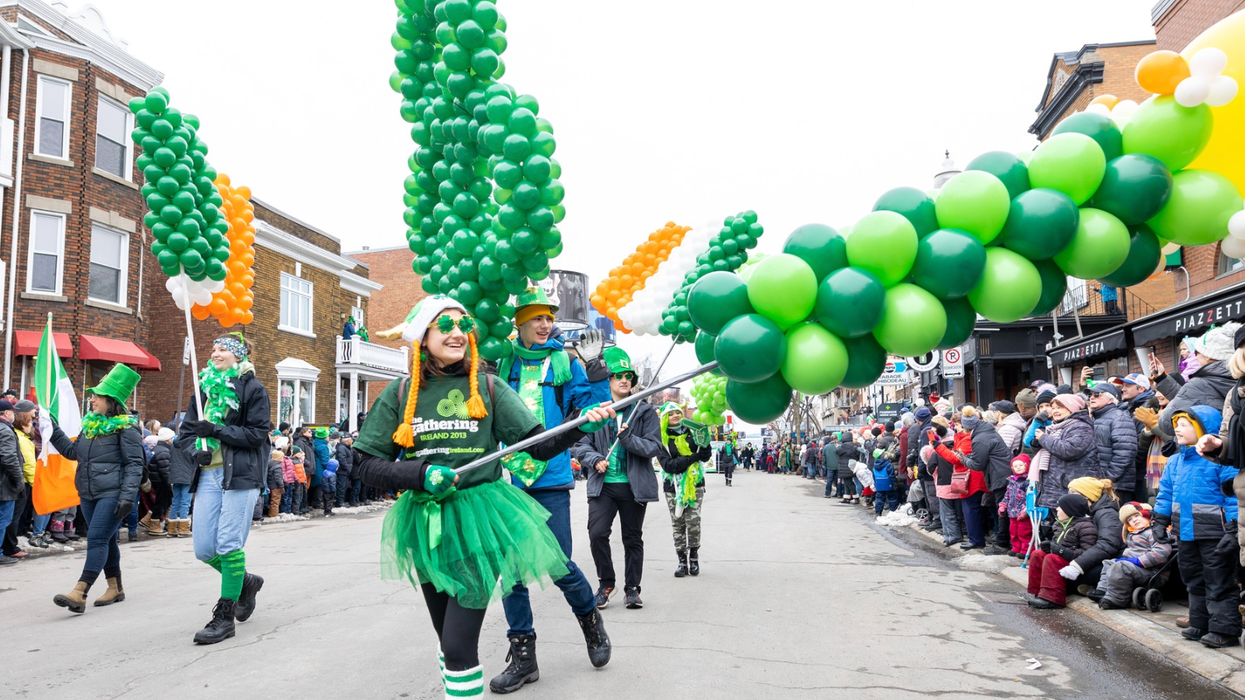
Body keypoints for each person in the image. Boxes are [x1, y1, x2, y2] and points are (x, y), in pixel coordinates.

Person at [351, 295, 615, 698]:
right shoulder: (401, 392)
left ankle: (569, 628)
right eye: (445, 326)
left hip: (482, 518)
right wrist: (420, 474)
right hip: (424, 525)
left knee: (459, 646)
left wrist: (582, 424)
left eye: (464, 325)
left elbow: (537, 445)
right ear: (422, 336)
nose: (458, 333)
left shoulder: (489, 386)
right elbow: (366, 464)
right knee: (447, 641)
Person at [490, 288, 612, 693]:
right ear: (518, 323)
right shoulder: (503, 359)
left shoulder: (564, 361)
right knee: (511, 572)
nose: (545, 325)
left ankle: (591, 620)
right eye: (536, 318)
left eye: (548, 318)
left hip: (551, 474)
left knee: (558, 563)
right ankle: (524, 656)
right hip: (510, 479)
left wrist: (595, 370)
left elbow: (594, 409)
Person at [177, 334, 273, 645]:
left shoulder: (252, 388)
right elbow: (186, 433)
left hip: (241, 476)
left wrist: (217, 430)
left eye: (222, 349)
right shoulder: (201, 387)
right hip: (208, 475)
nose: (215, 353)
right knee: (204, 549)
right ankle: (244, 581)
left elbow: (258, 434)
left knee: (229, 544)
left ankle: (225, 616)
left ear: (238, 355)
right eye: (213, 348)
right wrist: (197, 450)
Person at [48, 364, 144, 611]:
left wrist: (127, 496)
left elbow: (135, 464)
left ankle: (81, 591)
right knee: (107, 539)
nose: (91, 400)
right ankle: (115, 588)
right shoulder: (90, 425)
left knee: (97, 538)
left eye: (96, 396)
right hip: (89, 493)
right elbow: (72, 452)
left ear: (110, 401)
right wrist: (52, 430)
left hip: (114, 493)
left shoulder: (127, 427)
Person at [573, 346, 661, 611]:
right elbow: (579, 444)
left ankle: (632, 589)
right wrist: (594, 459)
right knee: (597, 534)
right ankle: (606, 583)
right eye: (617, 375)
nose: (624, 380)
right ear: (608, 380)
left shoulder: (643, 412)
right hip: (603, 487)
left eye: (628, 376)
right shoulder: (595, 412)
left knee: (632, 539)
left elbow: (654, 447)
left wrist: (629, 439)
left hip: (634, 488)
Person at [1156, 406, 1240, 648]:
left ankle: (1225, 629)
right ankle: (1200, 622)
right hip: (1185, 533)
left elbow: (1233, 496)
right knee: (1193, 578)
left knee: (1219, 579)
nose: (1177, 428)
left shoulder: (1221, 461)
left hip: (1215, 533)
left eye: (1184, 424)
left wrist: (1234, 528)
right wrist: (1161, 520)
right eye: (1176, 424)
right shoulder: (1174, 461)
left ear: (1203, 429)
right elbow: (1165, 494)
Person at [1153, 323, 1239, 444]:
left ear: (1209, 356)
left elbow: (1167, 423)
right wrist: (1162, 378)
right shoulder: (1239, 378)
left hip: (1207, 455)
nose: (1195, 356)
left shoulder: (1199, 383)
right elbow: (1195, 397)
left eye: (1197, 352)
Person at [656, 402, 710, 577]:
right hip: (673, 486)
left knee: (693, 522)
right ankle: (681, 561)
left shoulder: (693, 433)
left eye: (678, 413)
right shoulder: (662, 440)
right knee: (678, 523)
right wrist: (693, 457)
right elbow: (669, 466)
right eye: (671, 414)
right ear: (665, 418)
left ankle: (693, 557)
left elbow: (705, 454)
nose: (675, 416)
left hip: (695, 484)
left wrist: (705, 442)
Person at [1090, 502, 1173, 610]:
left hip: (1154, 570)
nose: (1134, 520)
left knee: (1121, 567)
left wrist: (1138, 561)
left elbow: (1162, 552)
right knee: (1108, 563)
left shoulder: (1155, 532)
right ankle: (1103, 591)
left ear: (1146, 515)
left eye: (1136, 516)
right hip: (1137, 567)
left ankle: (1118, 600)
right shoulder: (1134, 534)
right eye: (1129, 520)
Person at [957, 405, 1015, 556]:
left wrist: (962, 458)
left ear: (966, 426)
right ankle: (1004, 541)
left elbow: (978, 464)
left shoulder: (980, 438)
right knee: (1003, 510)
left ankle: (1002, 544)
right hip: (1003, 474)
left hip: (999, 476)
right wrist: (969, 458)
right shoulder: (986, 432)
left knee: (1002, 510)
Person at [1028, 493, 1099, 609]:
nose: (1056, 509)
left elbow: (1088, 553)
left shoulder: (1085, 527)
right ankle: (1035, 591)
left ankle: (1052, 598)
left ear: (1069, 510)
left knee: (1052, 558)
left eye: (1059, 507)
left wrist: (1062, 551)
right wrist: (1049, 547)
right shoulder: (1058, 524)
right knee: (1037, 554)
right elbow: (1056, 546)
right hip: (1061, 559)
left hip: (1075, 566)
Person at [1031, 394, 1100, 511]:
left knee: (1074, 525)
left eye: (1060, 407)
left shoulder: (1081, 426)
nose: (1055, 411)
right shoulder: (1054, 427)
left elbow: (1069, 450)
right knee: (1059, 527)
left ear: (1072, 408)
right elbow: (1047, 450)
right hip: (1056, 486)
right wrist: (1036, 443)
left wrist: (1044, 438)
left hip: (1072, 486)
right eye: (1053, 408)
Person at [1086, 383, 1138, 503]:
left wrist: (1107, 479)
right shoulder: (1096, 417)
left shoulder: (1119, 418)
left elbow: (1125, 453)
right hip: (1101, 483)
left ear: (1110, 399)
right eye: (1090, 395)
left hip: (1115, 486)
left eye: (1097, 394)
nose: (1092, 397)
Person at [0, 400, 24, 565]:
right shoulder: (6, 431)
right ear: (6, 413)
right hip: (4, 484)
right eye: (12, 412)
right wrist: (19, 479)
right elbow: (9, 458)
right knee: (3, 519)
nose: (14, 415)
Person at [1001, 455, 1032, 558]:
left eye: (1021, 465)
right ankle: (1015, 547)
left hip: (1023, 512)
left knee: (1024, 532)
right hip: (1012, 512)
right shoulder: (1011, 481)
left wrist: (1025, 510)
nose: (1018, 467)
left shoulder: (1029, 481)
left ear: (1027, 466)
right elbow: (1007, 495)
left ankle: (1026, 550)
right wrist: (1003, 505)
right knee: (1013, 531)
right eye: (1015, 466)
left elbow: (1030, 497)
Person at [871, 449, 899, 515]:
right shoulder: (888, 464)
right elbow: (892, 475)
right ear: (883, 456)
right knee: (892, 497)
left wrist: (875, 484)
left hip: (879, 484)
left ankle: (878, 511)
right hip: (888, 484)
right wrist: (895, 483)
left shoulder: (875, 466)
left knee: (879, 498)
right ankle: (893, 511)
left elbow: (874, 476)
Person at [835, 432, 859, 505]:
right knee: (847, 481)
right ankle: (847, 497)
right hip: (852, 465)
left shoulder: (844, 446)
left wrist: (837, 447)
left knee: (848, 482)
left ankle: (856, 497)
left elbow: (837, 452)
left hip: (844, 466)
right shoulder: (854, 445)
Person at [334, 432, 354, 507]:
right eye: (351, 439)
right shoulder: (342, 448)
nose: (352, 441)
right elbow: (342, 459)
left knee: (344, 486)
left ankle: (341, 501)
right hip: (342, 471)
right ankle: (339, 502)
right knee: (341, 486)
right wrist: (347, 468)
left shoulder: (347, 447)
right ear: (347, 440)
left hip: (346, 470)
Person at [266, 449, 285, 517]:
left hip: (270, 484)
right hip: (276, 486)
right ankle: (274, 514)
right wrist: (281, 486)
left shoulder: (270, 463)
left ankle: (272, 512)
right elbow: (278, 478)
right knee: (275, 500)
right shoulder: (278, 466)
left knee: (272, 500)